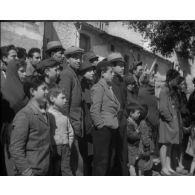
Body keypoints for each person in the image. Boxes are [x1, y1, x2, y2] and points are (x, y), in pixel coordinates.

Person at [9, 75, 51, 176]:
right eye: (43, 89)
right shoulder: (24, 116)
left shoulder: (44, 113)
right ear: (32, 91)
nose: (47, 92)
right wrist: (28, 173)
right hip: (32, 172)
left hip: (45, 170)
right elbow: (16, 149)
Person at [90, 60, 120, 176]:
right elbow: (94, 110)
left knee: (109, 162)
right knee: (101, 163)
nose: (113, 74)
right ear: (102, 73)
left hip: (111, 129)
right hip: (103, 130)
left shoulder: (108, 87)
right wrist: (101, 126)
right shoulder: (98, 87)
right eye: (111, 72)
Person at [58, 46, 84, 176]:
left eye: (80, 57)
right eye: (75, 57)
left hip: (75, 125)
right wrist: (67, 126)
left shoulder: (73, 74)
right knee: (76, 164)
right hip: (70, 126)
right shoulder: (66, 74)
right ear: (67, 59)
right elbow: (64, 102)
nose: (79, 60)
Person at [107, 52, 128, 175]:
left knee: (122, 153)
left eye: (123, 65)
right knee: (114, 153)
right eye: (119, 65)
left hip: (122, 121)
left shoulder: (121, 81)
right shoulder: (109, 82)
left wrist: (124, 116)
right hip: (114, 122)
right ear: (112, 67)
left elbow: (125, 101)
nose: (123, 67)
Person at [158, 69, 182, 176]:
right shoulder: (164, 90)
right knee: (164, 145)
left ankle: (168, 167)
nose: (177, 81)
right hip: (166, 123)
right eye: (176, 79)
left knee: (170, 144)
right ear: (171, 79)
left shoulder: (171, 90)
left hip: (170, 122)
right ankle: (163, 168)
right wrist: (170, 119)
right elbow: (162, 108)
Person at [47, 87, 74, 176]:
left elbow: (70, 132)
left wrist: (68, 144)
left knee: (66, 170)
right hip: (54, 148)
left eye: (65, 98)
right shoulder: (48, 115)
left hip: (65, 148)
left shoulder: (64, 116)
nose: (65, 100)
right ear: (52, 98)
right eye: (62, 98)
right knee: (54, 171)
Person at [79, 60, 96, 175]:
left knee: (90, 155)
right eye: (89, 70)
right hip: (84, 127)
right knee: (85, 156)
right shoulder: (80, 85)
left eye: (93, 70)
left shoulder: (90, 84)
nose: (92, 72)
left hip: (90, 125)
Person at [138, 72, 159, 158]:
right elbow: (142, 107)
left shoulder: (151, 91)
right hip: (147, 121)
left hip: (153, 121)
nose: (154, 80)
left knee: (150, 146)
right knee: (146, 145)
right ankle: (144, 168)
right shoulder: (143, 91)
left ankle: (148, 167)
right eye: (152, 78)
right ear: (146, 80)